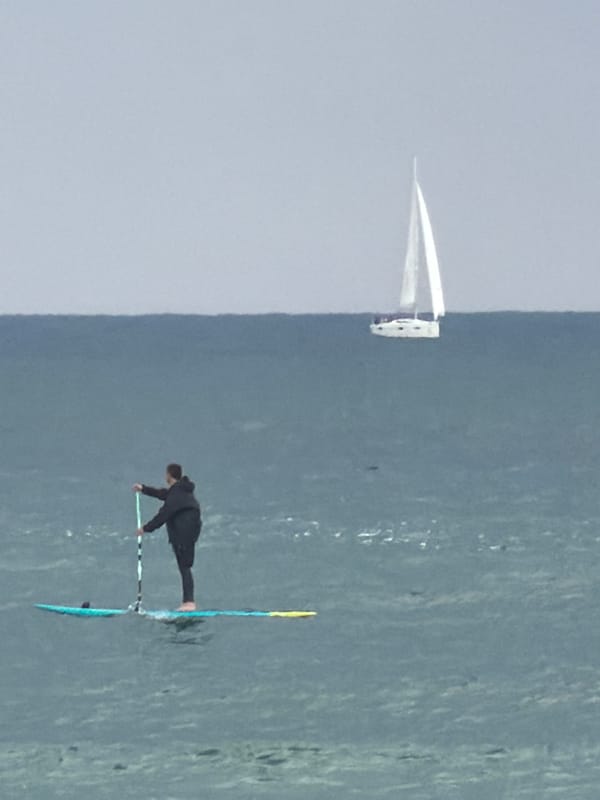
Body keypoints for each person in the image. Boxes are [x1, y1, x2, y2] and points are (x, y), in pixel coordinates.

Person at [133, 464, 202, 611]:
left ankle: (189, 603)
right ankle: (189, 602)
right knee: (185, 566)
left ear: (169, 475)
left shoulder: (177, 495)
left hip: (184, 532)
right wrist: (143, 489)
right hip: (190, 531)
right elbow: (162, 494)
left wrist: (145, 528)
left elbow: (164, 514)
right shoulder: (180, 491)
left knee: (184, 566)